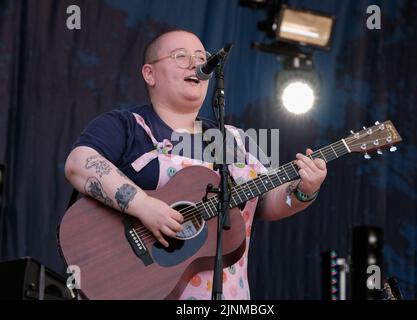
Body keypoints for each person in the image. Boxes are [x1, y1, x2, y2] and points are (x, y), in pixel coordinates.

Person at [64, 29, 327, 300]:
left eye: (201, 57)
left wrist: (304, 190)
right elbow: (79, 163)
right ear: (149, 74)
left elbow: (268, 202)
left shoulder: (234, 140)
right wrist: (144, 206)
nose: (196, 64)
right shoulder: (127, 126)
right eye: (180, 56)